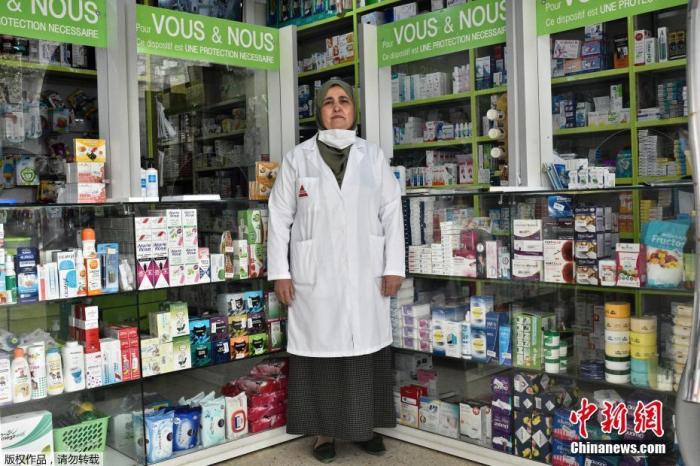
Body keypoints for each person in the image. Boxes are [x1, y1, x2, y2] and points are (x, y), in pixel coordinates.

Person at [267, 78, 405, 463]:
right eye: (328, 102)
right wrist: (280, 272)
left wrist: (394, 266)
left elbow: (392, 213)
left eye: (344, 100)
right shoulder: (298, 158)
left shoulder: (372, 156)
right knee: (320, 353)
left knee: (365, 349)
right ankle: (323, 434)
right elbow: (279, 217)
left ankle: (365, 427)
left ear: (354, 109)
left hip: (366, 273)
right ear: (319, 112)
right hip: (315, 277)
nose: (337, 107)